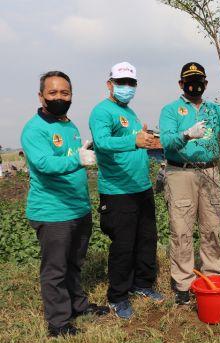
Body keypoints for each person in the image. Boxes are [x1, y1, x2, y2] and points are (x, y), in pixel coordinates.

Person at [21, 71, 108, 337]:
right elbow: (43, 164)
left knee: (74, 263)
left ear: (71, 96)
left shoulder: (69, 126)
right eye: (53, 92)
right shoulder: (34, 129)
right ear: (41, 96)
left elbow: (74, 156)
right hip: (52, 211)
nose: (59, 97)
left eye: (65, 93)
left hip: (78, 208)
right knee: (56, 268)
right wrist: (77, 160)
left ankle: (78, 306)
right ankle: (58, 322)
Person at [159, 62, 220, 305]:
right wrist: (186, 135)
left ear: (205, 83)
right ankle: (183, 283)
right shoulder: (170, 111)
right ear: (181, 84)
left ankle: (212, 275)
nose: (194, 85)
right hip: (180, 172)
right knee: (181, 229)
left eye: (199, 81)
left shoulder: (214, 110)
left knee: (212, 227)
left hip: (210, 171)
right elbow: (166, 142)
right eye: (189, 81)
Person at [89, 62, 164, 319]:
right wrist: (133, 139)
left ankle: (142, 284)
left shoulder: (130, 113)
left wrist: (144, 138)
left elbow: (134, 142)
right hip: (117, 190)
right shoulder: (101, 111)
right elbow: (102, 142)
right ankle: (118, 297)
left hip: (141, 186)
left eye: (131, 83)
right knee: (123, 244)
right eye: (121, 82)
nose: (126, 87)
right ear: (109, 84)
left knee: (146, 238)